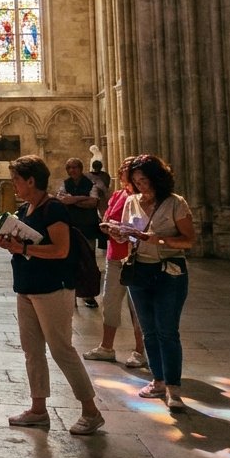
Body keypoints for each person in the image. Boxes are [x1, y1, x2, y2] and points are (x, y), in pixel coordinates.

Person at [0, 155, 105, 436]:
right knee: (32, 351)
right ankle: (38, 409)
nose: (14, 185)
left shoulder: (53, 209)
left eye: (17, 180)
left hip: (53, 288)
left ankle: (91, 411)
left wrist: (25, 250)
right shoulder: (25, 209)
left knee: (61, 350)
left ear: (32, 180)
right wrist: (9, 243)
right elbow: (24, 245)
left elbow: (61, 250)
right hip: (27, 287)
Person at [111, 154, 195, 412]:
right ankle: (157, 381)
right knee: (148, 331)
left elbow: (188, 241)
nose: (141, 186)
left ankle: (174, 389)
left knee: (167, 331)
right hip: (140, 271)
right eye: (136, 181)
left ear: (157, 178)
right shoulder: (132, 202)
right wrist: (118, 232)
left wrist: (157, 239)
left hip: (170, 272)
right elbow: (128, 236)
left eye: (145, 180)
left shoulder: (175, 203)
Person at [84, 158, 147, 367]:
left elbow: (145, 227)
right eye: (123, 172)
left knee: (136, 306)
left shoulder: (143, 198)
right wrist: (108, 227)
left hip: (136, 257)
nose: (122, 176)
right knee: (110, 302)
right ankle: (106, 347)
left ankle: (140, 351)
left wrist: (125, 232)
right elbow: (108, 216)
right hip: (114, 255)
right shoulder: (119, 195)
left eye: (127, 172)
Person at [57, 156, 101, 308]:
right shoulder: (65, 183)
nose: (71, 170)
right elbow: (62, 200)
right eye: (69, 168)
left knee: (89, 260)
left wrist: (73, 200)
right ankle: (72, 294)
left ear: (81, 169)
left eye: (74, 167)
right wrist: (83, 199)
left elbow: (93, 202)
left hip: (87, 227)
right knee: (70, 260)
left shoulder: (91, 183)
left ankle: (89, 294)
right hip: (70, 227)